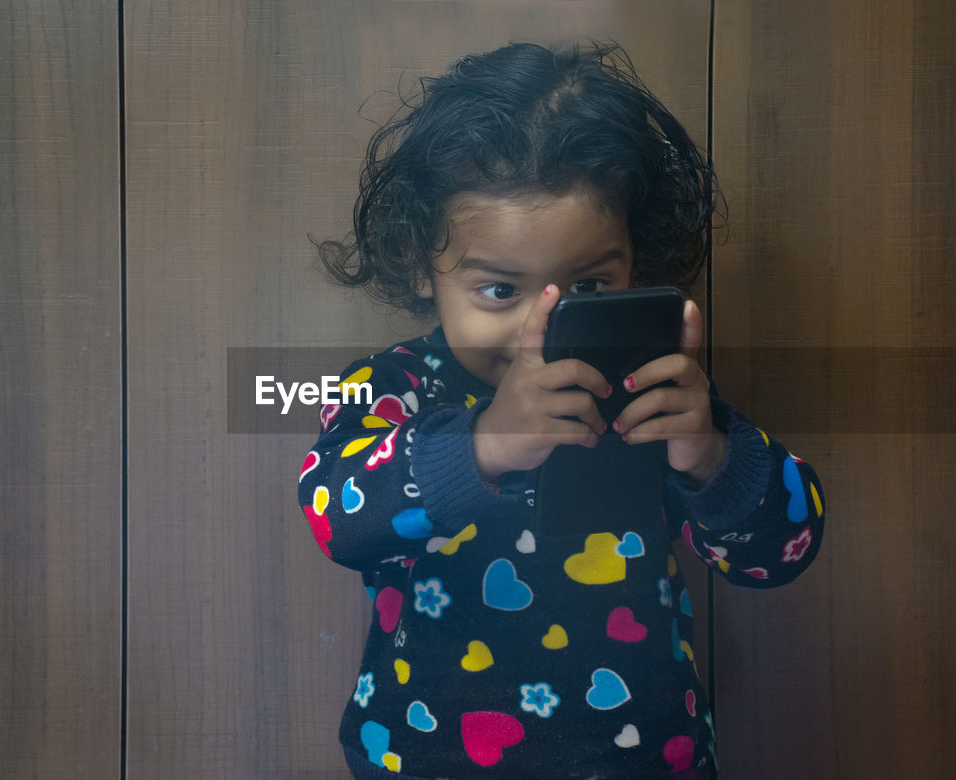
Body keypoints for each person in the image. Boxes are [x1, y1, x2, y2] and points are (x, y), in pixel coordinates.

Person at [297, 39, 824, 779]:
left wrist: (712, 456)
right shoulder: (394, 385)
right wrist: (483, 443)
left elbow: (780, 554)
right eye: (500, 291)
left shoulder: (655, 393)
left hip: (646, 761)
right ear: (422, 262)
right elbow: (336, 517)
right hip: (427, 760)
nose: (538, 328)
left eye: (587, 288)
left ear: (637, 260)